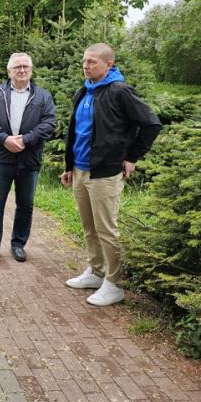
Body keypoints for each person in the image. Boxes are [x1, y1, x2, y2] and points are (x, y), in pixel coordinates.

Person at [61, 43, 161, 306]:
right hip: (81, 170)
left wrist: (131, 157)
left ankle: (114, 284)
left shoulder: (120, 91)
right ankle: (95, 272)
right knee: (89, 227)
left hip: (105, 172)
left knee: (107, 230)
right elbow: (77, 132)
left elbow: (151, 123)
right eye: (84, 61)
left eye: (92, 62)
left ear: (109, 64)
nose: (86, 65)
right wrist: (68, 166)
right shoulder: (84, 90)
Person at [0, 52, 55, 263]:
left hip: (29, 158)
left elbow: (49, 123)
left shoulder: (43, 96)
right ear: (9, 71)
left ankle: (18, 244)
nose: (22, 70)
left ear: (31, 70)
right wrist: (5, 139)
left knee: (26, 204)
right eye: (17, 67)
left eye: (25, 67)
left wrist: (26, 139)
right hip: (1, 157)